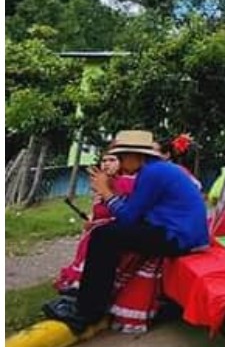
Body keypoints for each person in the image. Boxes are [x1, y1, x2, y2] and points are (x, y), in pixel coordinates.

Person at [44, 130, 209, 336]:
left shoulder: (152, 173)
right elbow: (134, 211)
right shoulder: (157, 170)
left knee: (103, 237)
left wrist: (105, 192)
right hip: (179, 233)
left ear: (136, 156)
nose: (120, 163)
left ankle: (87, 311)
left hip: (177, 237)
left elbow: (129, 216)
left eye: (122, 157)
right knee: (110, 234)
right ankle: (95, 299)